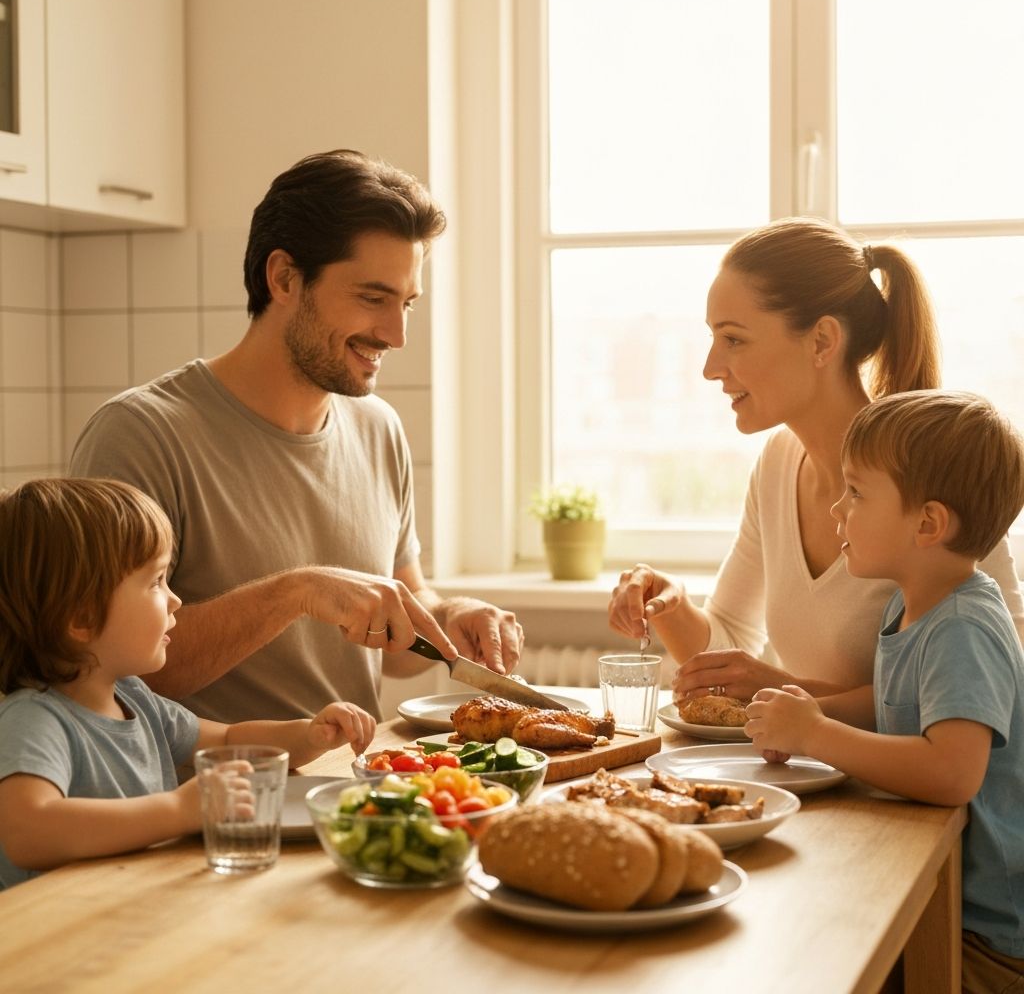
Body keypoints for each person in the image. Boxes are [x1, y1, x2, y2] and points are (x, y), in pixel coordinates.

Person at [70, 149, 523, 724]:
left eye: (406, 303)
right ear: (284, 277)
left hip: (357, 776)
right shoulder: (142, 434)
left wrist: (451, 617)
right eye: (373, 298)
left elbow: (398, 642)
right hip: (213, 781)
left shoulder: (378, 429)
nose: (396, 335)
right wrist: (295, 594)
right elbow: (104, 667)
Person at [607, 217, 1024, 703]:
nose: (709, 368)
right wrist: (669, 604)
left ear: (822, 341)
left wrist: (788, 692)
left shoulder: (932, 467)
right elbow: (730, 647)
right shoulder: (778, 463)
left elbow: (1003, 674)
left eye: (733, 339)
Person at [745, 391, 1024, 992]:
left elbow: (953, 772)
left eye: (856, 493)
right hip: (940, 888)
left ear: (928, 524)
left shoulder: (963, 627)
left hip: (985, 936)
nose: (837, 508)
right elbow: (892, 700)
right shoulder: (914, 603)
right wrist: (810, 712)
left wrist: (817, 735)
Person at [0, 478, 377, 889]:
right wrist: (177, 810)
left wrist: (308, 735)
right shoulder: (33, 720)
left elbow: (230, 740)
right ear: (82, 618)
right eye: (155, 582)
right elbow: (27, 832)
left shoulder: (133, 698)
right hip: (54, 923)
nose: (175, 600)